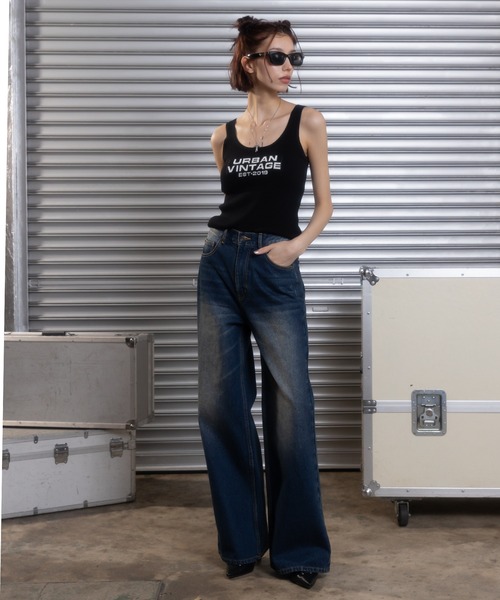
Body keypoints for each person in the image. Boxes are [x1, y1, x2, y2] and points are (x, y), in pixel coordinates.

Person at [197, 15, 333, 590]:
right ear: (249, 61)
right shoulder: (222, 135)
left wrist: (293, 248)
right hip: (219, 266)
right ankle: (242, 542)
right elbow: (238, 206)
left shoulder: (307, 122)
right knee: (220, 405)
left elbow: (325, 206)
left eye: (294, 57)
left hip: (274, 271)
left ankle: (299, 551)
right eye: (278, 56)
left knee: (291, 407)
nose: (288, 68)